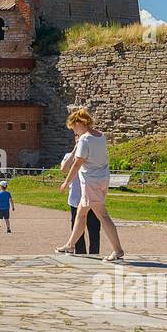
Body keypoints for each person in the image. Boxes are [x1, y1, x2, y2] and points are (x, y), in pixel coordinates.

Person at [57, 108, 125, 261]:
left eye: (74, 127)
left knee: (102, 215)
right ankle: (70, 244)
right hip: (102, 179)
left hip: (90, 182)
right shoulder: (101, 135)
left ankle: (118, 250)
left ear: (79, 123)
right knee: (81, 213)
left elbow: (77, 164)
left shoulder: (84, 139)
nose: (74, 131)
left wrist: (66, 182)